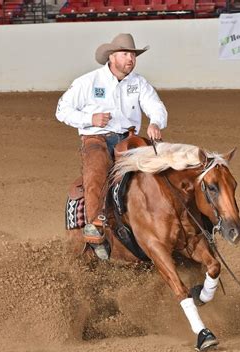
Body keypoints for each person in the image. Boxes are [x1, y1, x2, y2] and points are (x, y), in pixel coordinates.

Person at [56, 33, 168, 260]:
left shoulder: (138, 83)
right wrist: (91, 119)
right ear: (112, 57)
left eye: (133, 55)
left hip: (130, 140)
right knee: (96, 170)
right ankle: (95, 226)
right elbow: (62, 110)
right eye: (125, 54)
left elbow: (156, 107)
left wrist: (156, 122)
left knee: (162, 170)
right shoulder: (88, 82)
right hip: (97, 139)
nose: (131, 59)